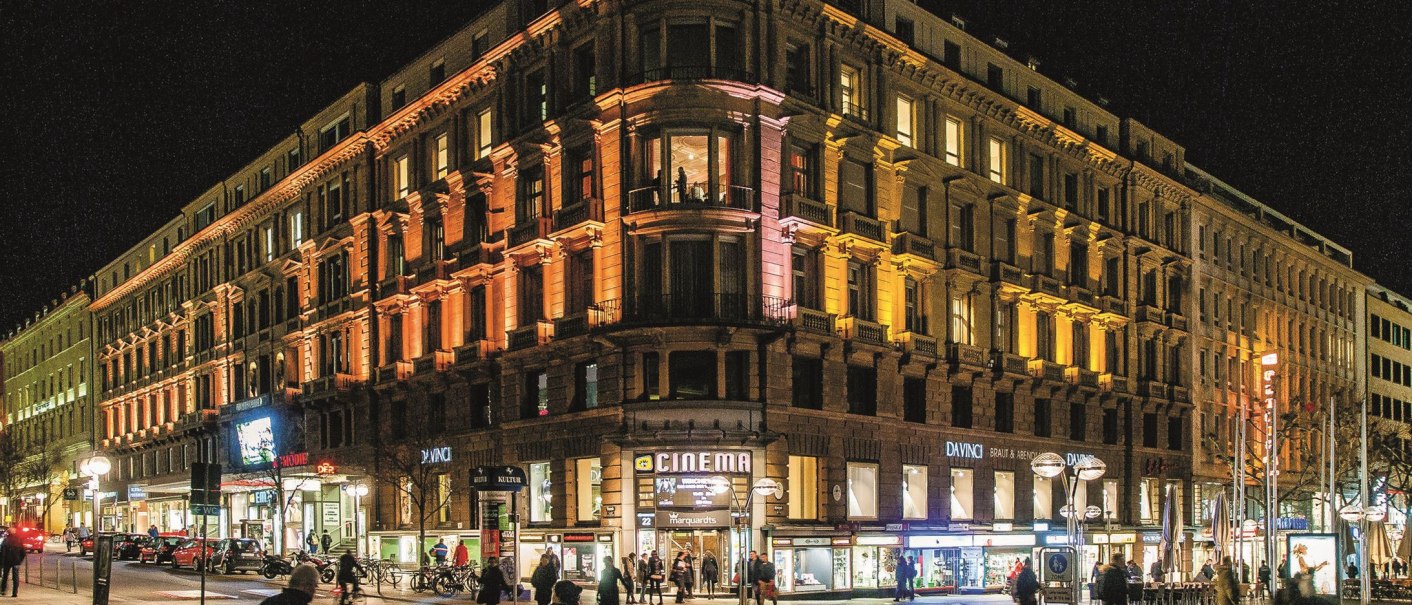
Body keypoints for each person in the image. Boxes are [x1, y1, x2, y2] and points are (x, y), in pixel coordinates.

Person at [0, 531, 25, 597]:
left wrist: (2, 563)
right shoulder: (18, 540)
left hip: (7, 561)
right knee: (15, 577)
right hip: (16, 561)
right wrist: (20, 560)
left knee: (5, 576)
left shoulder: (6, 540)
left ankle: (3, 590)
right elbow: (23, 552)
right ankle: (15, 592)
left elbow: (3, 552)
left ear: (8, 533)